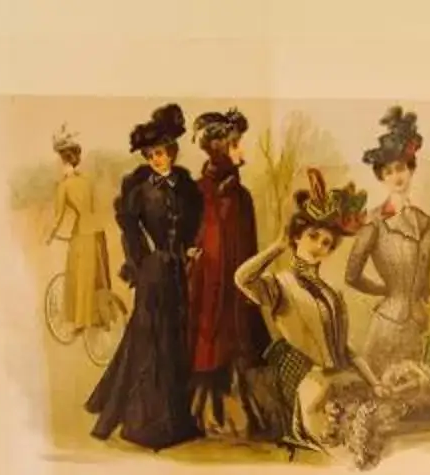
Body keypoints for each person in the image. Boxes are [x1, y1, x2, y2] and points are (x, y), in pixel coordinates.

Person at [237, 174, 430, 468]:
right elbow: (242, 278)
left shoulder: (331, 293)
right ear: (297, 236)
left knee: (392, 436)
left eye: (327, 243)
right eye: (313, 236)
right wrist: (277, 246)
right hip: (314, 388)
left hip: (348, 380)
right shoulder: (279, 286)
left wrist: (375, 382)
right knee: (355, 452)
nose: (320, 246)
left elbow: (346, 349)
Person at [85, 104, 204, 451]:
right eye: (151, 155)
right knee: (149, 338)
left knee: (173, 337)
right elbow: (129, 229)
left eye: (162, 153)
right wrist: (140, 260)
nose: (157, 159)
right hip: (153, 272)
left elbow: (193, 223)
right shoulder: (138, 188)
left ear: (172, 153)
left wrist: (188, 248)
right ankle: (146, 421)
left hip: (177, 271)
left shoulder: (185, 186)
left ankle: (176, 415)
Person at [185, 108, 268, 440]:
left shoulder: (243, 198)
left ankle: (238, 416)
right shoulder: (194, 192)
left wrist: (250, 292)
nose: (242, 153)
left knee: (236, 345)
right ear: (218, 147)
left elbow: (249, 249)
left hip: (234, 290)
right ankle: (201, 414)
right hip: (205, 287)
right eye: (235, 146)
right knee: (206, 347)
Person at [343, 107, 430, 380]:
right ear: (382, 177)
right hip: (387, 328)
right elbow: (352, 276)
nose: (397, 176)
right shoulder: (374, 222)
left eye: (402, 168)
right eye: (390, 171)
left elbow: (425, 285)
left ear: (411, 169)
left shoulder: (426, 223)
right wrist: (385, 290)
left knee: (418, 397)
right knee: (381, 400)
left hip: (419, 326)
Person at [43, 129, 111, 342]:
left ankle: (81, 323)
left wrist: (49, 236)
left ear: (63, 161)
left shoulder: (64, 186)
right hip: (98, 232)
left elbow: (57, 217)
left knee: (79, 278)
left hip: (81, 233)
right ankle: (101, 318)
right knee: (97, 277)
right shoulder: (87, 180)